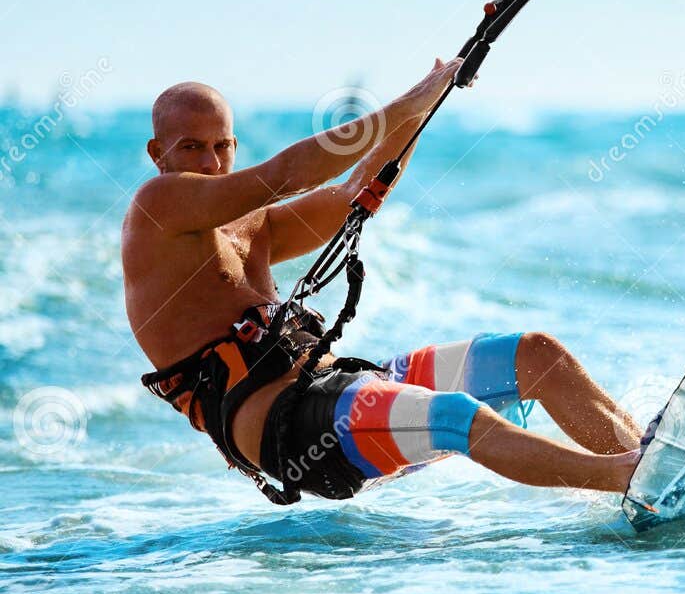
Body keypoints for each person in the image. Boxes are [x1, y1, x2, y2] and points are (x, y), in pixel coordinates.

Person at [122, 57, 641, 504]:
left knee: (536, 355)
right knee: (455, 417)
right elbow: (287, 173)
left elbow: (358, 188)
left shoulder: (253, 225)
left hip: (339, 388)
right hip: (293, 431)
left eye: (222, 146)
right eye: (191, 148)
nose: (211, 164)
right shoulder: (156, 208)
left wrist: (431, 97)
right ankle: (627, 478)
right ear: (156, 153)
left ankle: (643, 456)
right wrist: (413, 99)